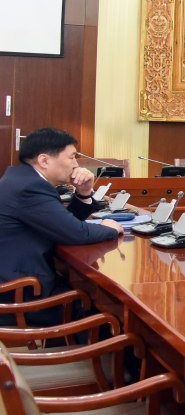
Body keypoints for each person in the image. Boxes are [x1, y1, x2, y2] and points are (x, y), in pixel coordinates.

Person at [0, 128, 123, 326]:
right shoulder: (30, 188)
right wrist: (110, 228)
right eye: (72, 157)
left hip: (17, 285)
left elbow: (62, 225)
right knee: (109, 316)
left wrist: (84, 193)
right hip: (20, 296)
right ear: (44, 160)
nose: (76, 164)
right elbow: (76, 232)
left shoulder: (21, 179)